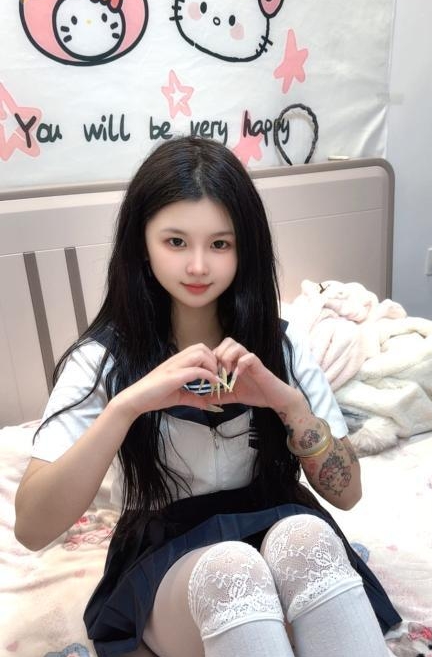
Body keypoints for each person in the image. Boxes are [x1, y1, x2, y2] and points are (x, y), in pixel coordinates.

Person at [15, 137, 400, 657]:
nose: (198, 266)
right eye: (176, 242)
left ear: (245, 248)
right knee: (232, 569)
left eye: (220, 244)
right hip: (169, 554)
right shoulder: (100, 360)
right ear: (142, 243)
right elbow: (33, 527)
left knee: (309, 538)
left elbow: (348, 495)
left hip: (277, 525)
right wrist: (128, 406)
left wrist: (289, 405)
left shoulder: (281, 346)